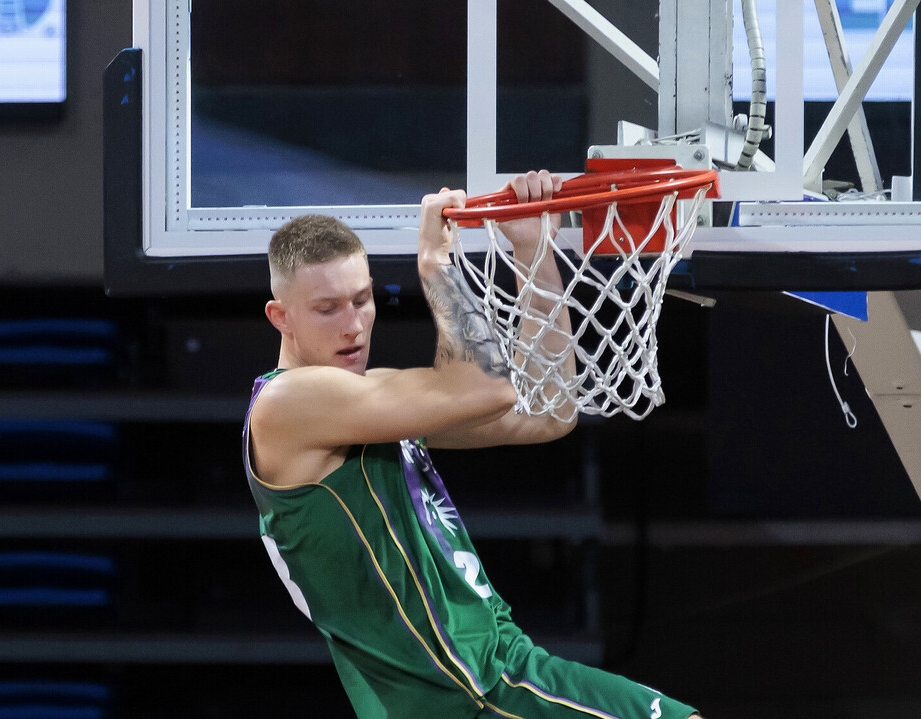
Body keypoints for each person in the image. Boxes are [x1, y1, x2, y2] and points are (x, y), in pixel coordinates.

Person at [242, 170, 700, 719]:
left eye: (362, 300)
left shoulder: (363, 402)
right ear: (280, 317)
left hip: (490, 672)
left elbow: (548, 414)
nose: (353, 325)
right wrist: (438, 266)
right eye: (328, 308)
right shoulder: (288, 404)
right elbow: (486, 387)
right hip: (468, 690)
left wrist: (533, 250)